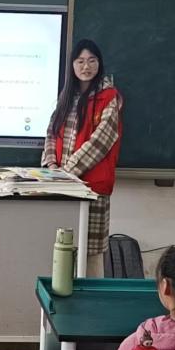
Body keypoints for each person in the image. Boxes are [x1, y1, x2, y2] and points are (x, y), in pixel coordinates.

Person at [42, 39, 123, 277]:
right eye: (80, 61)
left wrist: (65, 172)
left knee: (90, 255)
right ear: (72, 65)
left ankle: (90, 298)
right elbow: (51, 133)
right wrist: (51, 165)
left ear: (99, 63)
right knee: (62, 250)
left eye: (91, 60)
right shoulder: (67, 96)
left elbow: (101, 141)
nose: (86, 66)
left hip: (90, 190)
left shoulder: (109, 97)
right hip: (61, 187)